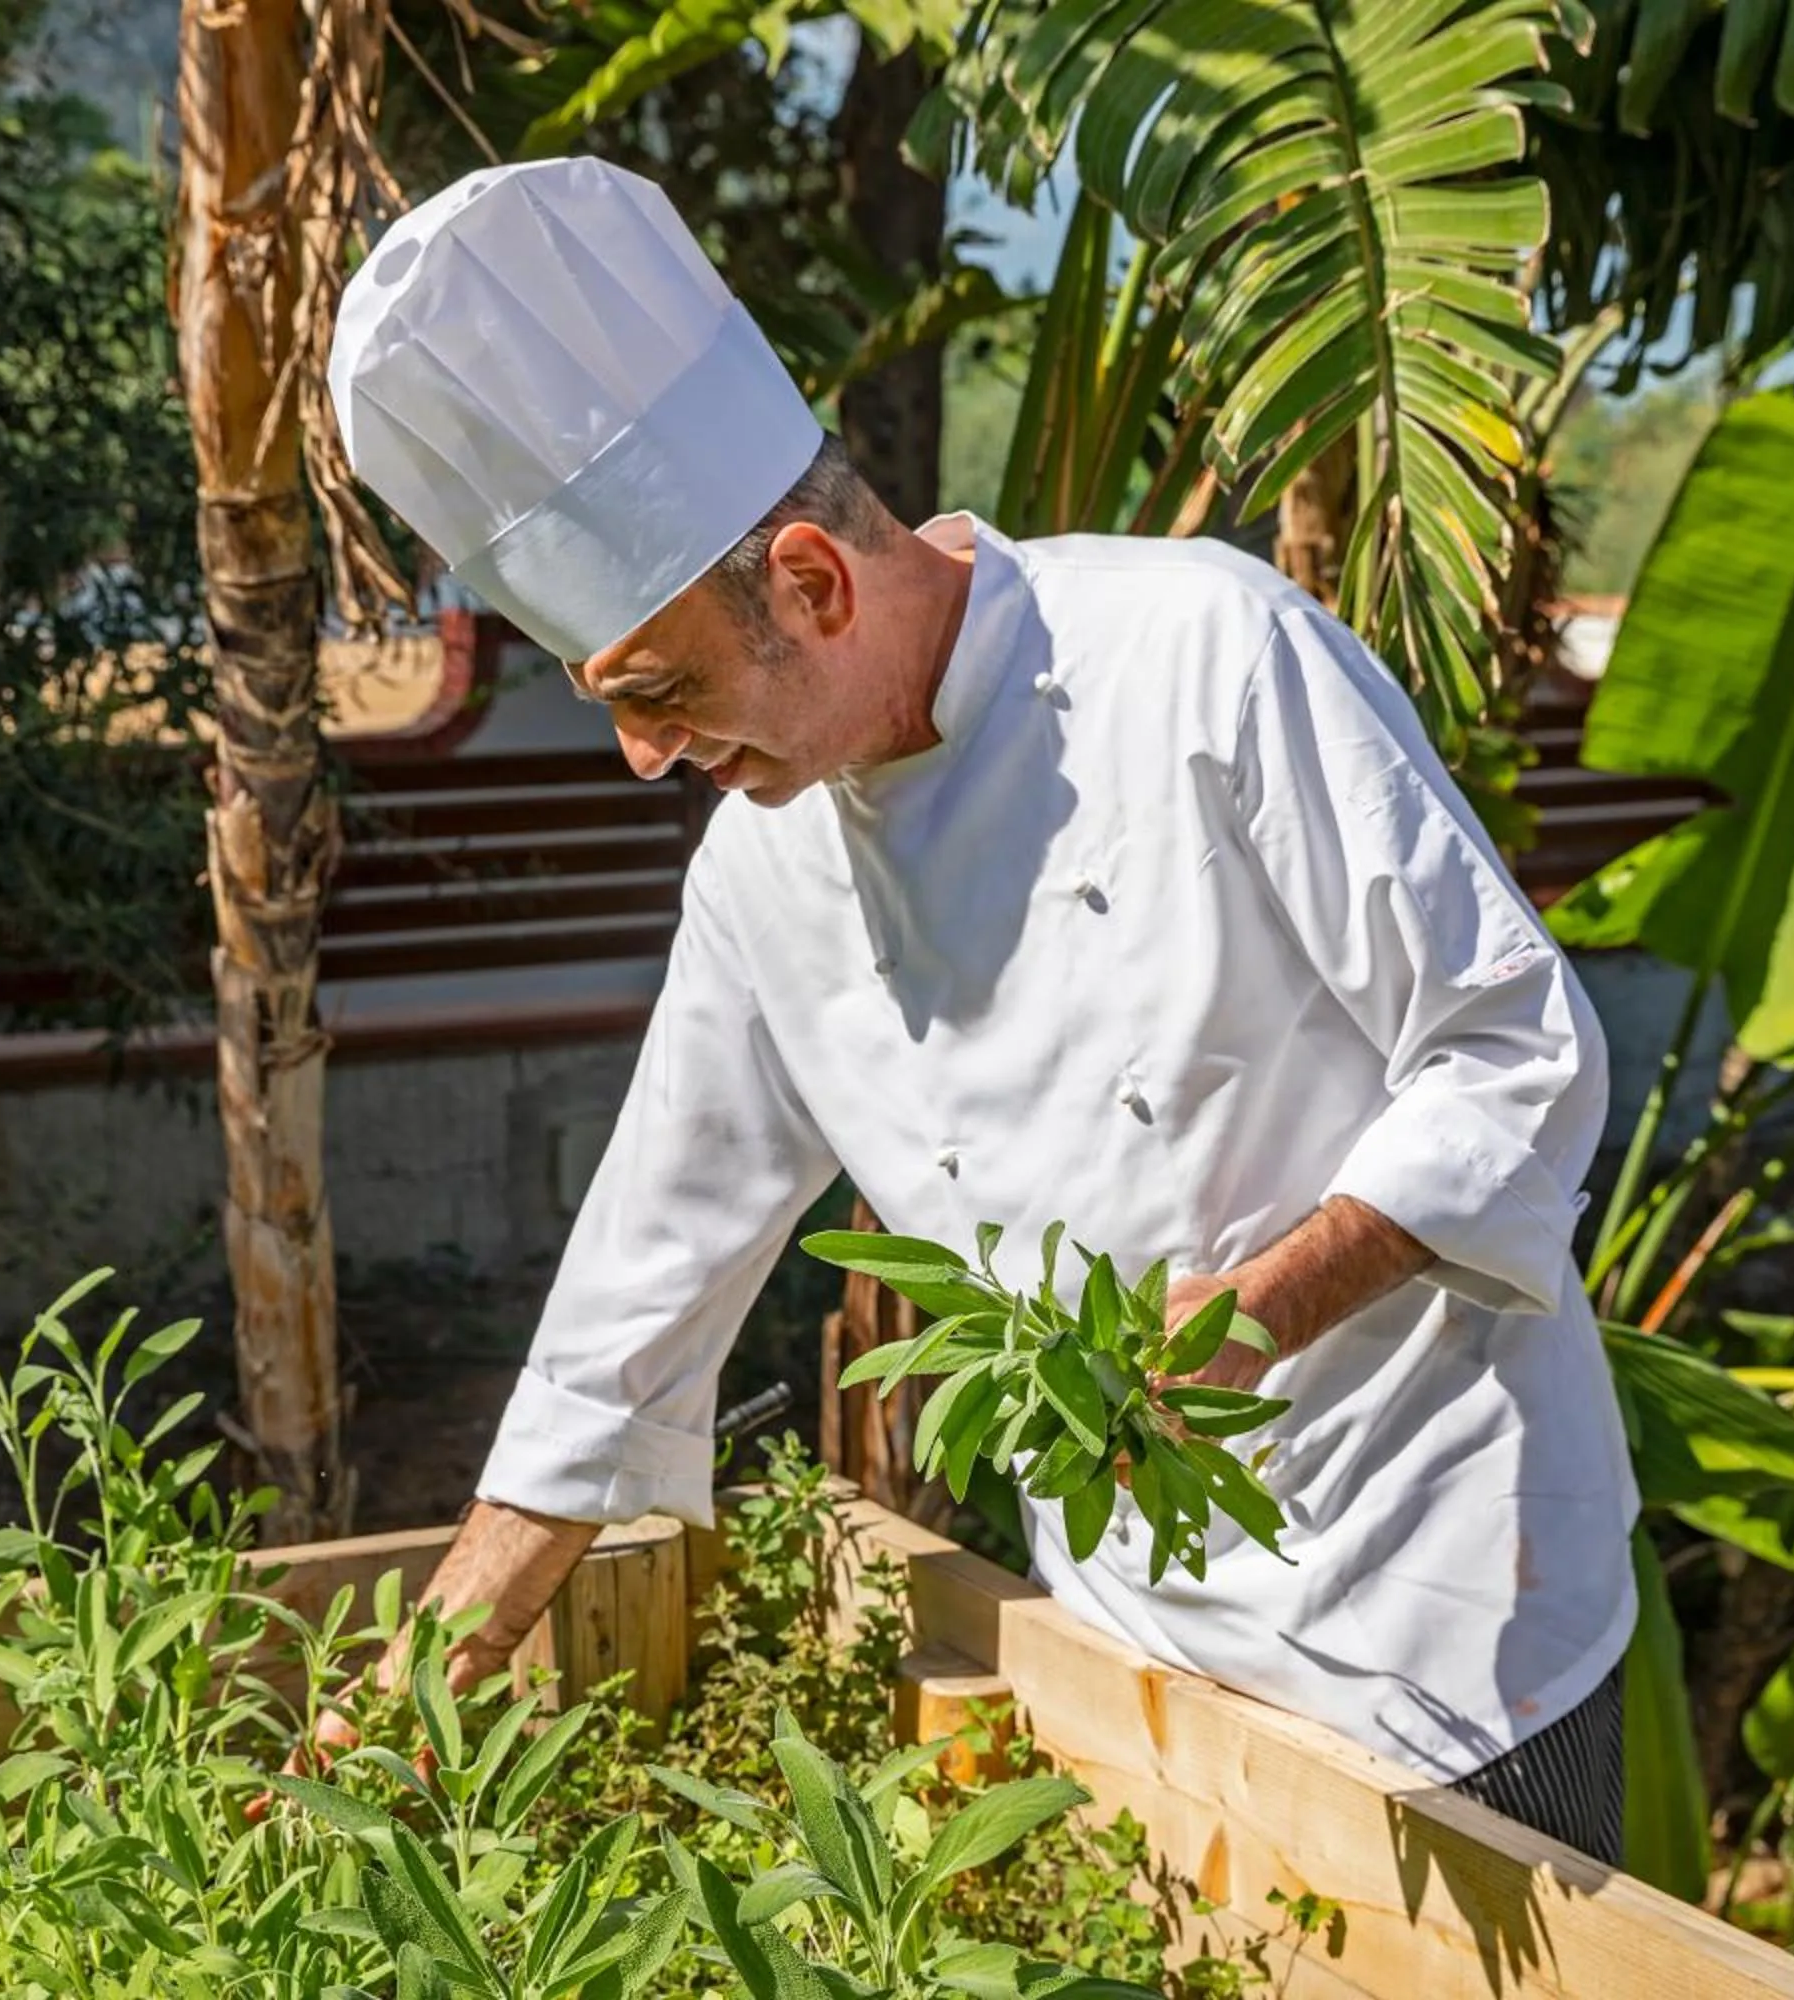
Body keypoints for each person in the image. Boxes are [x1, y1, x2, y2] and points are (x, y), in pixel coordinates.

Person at [313, 155, 1640, 1863]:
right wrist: (445, 1650)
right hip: (1132, 1644)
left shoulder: (1206, 658)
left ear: (812, 580)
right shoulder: (759, 876)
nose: (644, 754)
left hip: (1446, 1614)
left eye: (662, 692)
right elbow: (635, 1293)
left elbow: (1513, 1054)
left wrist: (1250, 1316)